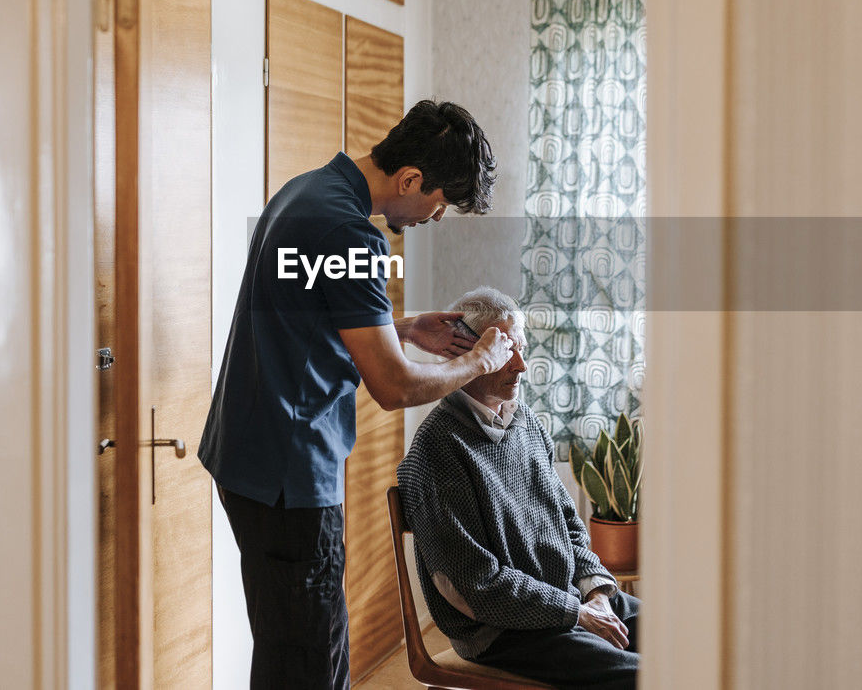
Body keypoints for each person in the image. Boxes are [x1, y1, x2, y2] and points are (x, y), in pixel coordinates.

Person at [198, 101, 515, 690]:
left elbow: (303, 315)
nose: (433, 218)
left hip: (244, 459)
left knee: (283, 646)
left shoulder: (305, 193)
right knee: (311, 664)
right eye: (439, 205)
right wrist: (480, 360)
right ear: (412, 180)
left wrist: (403, 326)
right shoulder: (350, 234)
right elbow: (393, 387)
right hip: (290, 475)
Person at [397, 287, 641, 690]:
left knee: (684, 642)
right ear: (463, 354)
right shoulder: (435, 450)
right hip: (500, 631)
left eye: (521, 348)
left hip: (565, 601)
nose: (522, 366)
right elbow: (475, 585)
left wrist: (595, 591)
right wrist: (576, 613)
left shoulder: (525, 421)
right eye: (505, 351)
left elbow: (567, 522)